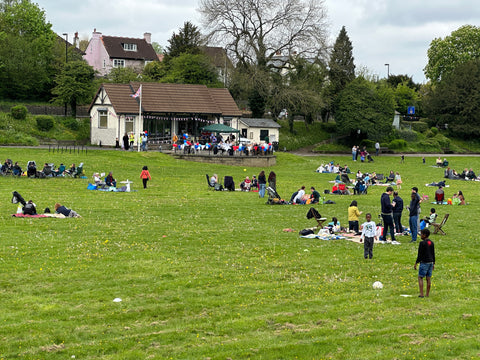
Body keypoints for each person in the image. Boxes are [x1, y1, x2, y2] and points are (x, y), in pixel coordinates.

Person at [414, 228, 435, 298]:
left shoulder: (422, 243)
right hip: (431, 262)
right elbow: (433, 253)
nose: (420, 235)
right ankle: (427, 294)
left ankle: (421, 294)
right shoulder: (431, 243)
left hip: (424, 262)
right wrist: (434, 263)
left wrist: (416, 262)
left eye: (421, 234)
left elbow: (420, 254)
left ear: (424, 235)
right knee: (428, 278)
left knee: (420, 277)